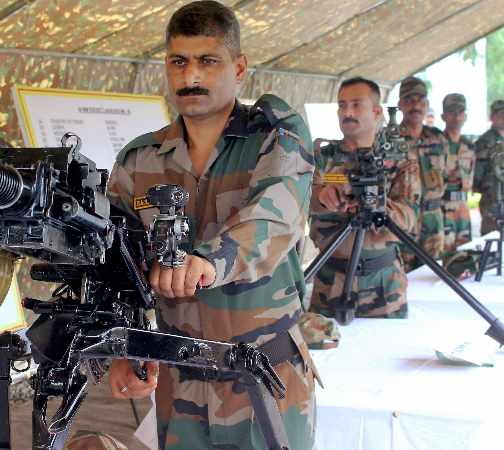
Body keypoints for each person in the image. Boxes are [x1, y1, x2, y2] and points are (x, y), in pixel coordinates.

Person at [106, 2, 318, 449]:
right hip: (180, 385)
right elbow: (117, 261)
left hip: (266, 379)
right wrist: (126, 347)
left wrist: (208, 262)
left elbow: (274, 218)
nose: (191, 76)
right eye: (178, 62)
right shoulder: (138, 160)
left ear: (238, 68)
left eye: (207, 61)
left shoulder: (275, 138)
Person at [309, 77, 420, 319]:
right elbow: (299, 201)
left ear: (377, 111)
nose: (347, 112)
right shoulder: (321, 157)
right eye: (342, 105)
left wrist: (375, 204)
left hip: (385, 286)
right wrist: (323, 196)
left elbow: (410, 218)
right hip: (329, 282)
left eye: (356, 104)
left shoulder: (400, 160)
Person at [398, 76, 448, 271]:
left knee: (434, 275)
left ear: (426, 105)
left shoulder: (438, 138)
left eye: (420, 100)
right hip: (403, 221)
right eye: (409, 100)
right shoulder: (389, 139)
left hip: (433, 220)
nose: (415, 106)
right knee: (403, 274)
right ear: (400, 105)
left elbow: (446, 174)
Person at [440, 93, 475, 252]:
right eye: (451, 112)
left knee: (465, 253)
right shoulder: (435, 144)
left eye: (460, 112)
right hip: (442, 208)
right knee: (443, 254)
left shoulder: (469, 146)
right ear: (443, 116)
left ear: (465, 116)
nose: (456, 116)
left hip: (463, 208)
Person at [473, 99, 504, 235]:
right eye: (500, 114)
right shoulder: (484, 142)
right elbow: (476, 176)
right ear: (492, 117)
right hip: (492, 202)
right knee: (492, 240)